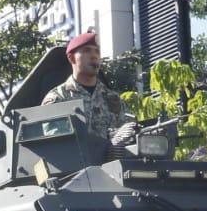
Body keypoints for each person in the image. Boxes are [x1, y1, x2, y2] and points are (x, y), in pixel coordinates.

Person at [40, 31, 138, 162]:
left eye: (97, 52)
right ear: (72, 58)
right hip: (75, 170)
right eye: (87, 51)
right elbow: (54, 144)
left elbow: (130, 136)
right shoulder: (58, 98)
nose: (94, 56)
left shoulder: (113, 99)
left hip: (113, 170)